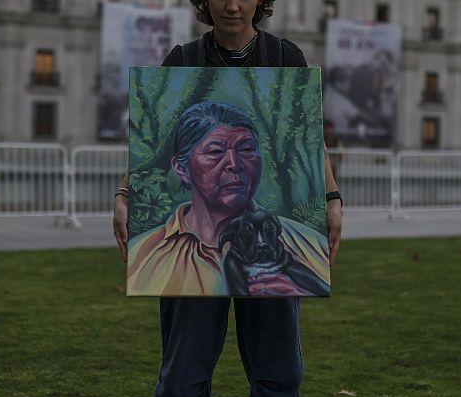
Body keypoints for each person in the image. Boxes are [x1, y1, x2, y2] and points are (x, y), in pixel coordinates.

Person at [112, 0, 343, 397]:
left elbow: (310, 139)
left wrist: (332, 197)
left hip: (267, 238)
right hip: (194, 245)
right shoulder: (182, 62)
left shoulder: (285, 59)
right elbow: (152, 145)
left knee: (279, 365)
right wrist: (125, 194)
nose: (233, 6)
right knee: (183, 368)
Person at [127, 100, 330, 297]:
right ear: (181, 169)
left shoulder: (310, 246)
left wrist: (333, 195)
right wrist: (123, 191)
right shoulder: (142, 255)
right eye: (215, 151)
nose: (234, 164)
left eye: (247, 149)